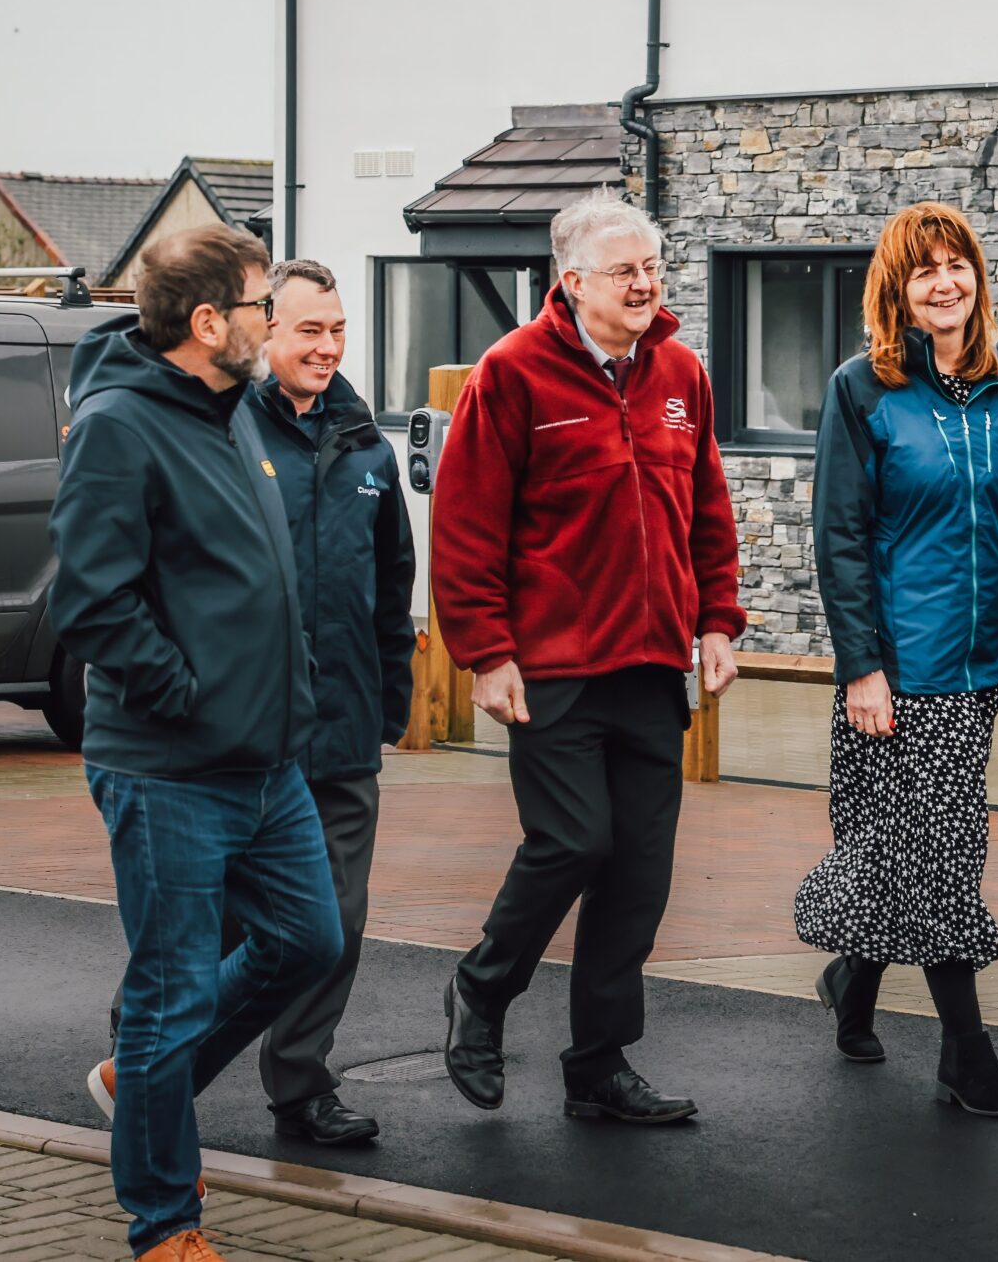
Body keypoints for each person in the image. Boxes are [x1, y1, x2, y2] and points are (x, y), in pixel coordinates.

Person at [50, 225, 343, 1262]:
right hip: (169, 765)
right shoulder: (122, 424)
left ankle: (142, 1083)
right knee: (169, 994)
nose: (275, 320)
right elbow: (90, 599)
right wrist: (184, 696)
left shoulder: (230, 414)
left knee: (310, 940)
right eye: (263, 302)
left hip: (265, 760)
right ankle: (163, 1222)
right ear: (210, 320)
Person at [429, 194, 744, 1125]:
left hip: (652, 663)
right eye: (624, 270)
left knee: (640, 870)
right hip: (555, 665)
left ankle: (599, 1067)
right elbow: (467, 526)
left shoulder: (681, 372)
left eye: (652, 265)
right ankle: (481, 990)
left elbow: (708, 509)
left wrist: (717, 621)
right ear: (570, 283)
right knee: (573, 841)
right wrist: (485, 652)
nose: (645, 283)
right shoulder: (511, 375)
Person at [793, 202, 998, 1118]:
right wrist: (861, 668)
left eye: (958, 266)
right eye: (924, 272)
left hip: (980, 664)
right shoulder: (862, 390)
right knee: (938, 848)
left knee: (908, 845)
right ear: (898, 291)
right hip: (898, 671)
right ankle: (966, 1052)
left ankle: (856, 984)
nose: (944, 283)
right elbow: (839, 538)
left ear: (976, 281)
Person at [238, 258, 418, 1144]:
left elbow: (392, 588)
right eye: (309, 328)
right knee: (222, 920)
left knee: (335, 922)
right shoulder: (225, 433)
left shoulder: (368, 448)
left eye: (339, 329)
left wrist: (390, 706)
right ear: (263, 330)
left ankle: (301, 1085)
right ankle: (147, 1054)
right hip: (242, 738)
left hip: (343, 734)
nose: (328, 345)